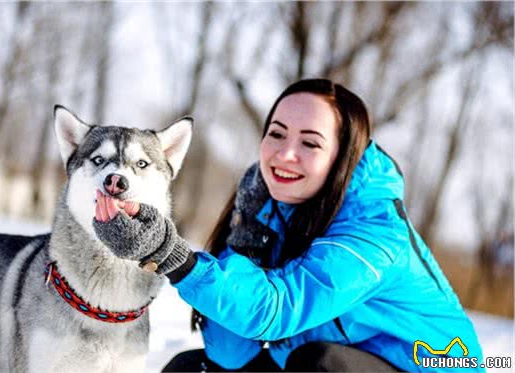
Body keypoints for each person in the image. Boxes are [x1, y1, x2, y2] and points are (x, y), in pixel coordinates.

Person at [92, 79, 484, 372]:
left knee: (322, 364)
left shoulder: (375, 233)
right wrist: (245, 243)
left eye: (310, 143)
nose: (285, 154)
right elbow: (231, 353)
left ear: (341, 157)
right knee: (190, 369)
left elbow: (277, 309)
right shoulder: (265, 208)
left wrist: (169, 254)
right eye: (276, 134)